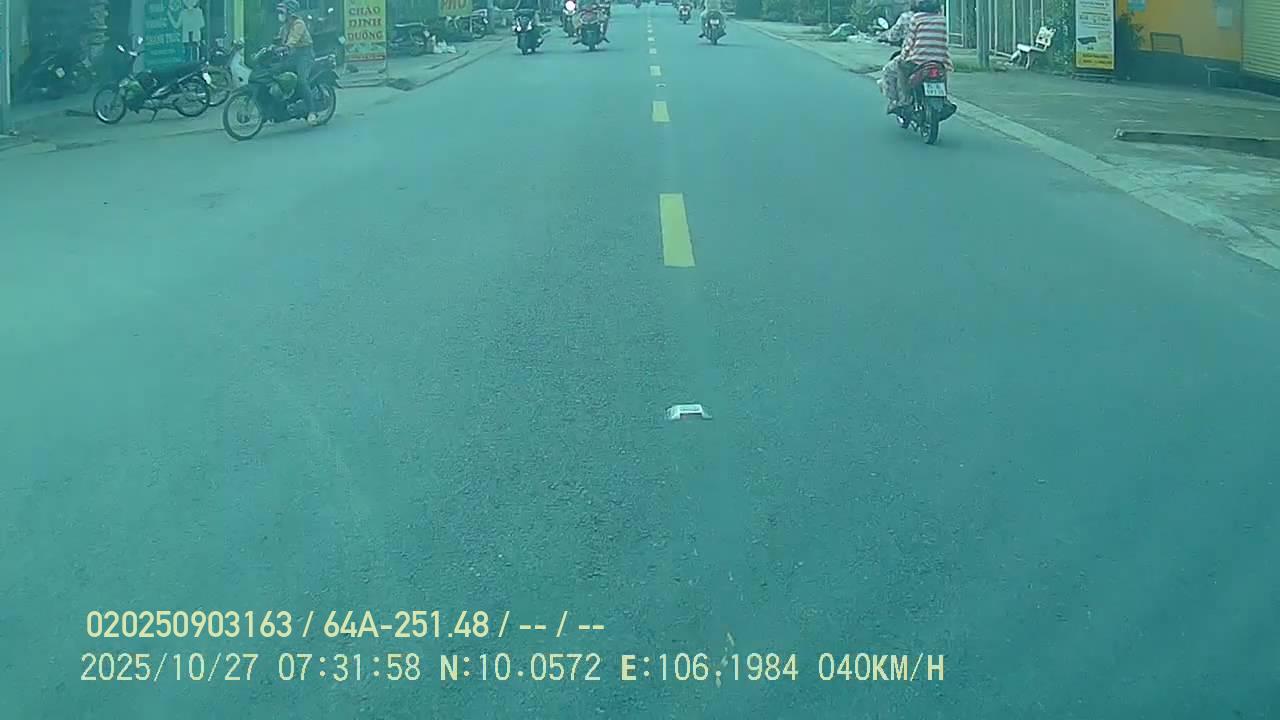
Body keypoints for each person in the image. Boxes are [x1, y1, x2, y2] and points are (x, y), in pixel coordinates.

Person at [887, 0, 952, 114]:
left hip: (918, 60)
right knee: (942, 72)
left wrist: (904, 56)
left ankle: (905, 99)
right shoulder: (942, 19)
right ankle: (945, 99)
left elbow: (909, 42)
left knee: (901, 67)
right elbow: (944, 41)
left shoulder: (916, 18)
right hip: (940, 60)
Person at [277, 0, 318, 126]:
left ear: (290, 12)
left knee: (301, 81)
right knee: (277, 73)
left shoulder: (298, 24)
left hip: (304, 55)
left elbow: (293, 40)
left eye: (282, 11)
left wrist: (286, 47)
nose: (279, 14)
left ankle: (312, 112)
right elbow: (279, 39)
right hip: (291, 55)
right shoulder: (284, 26)